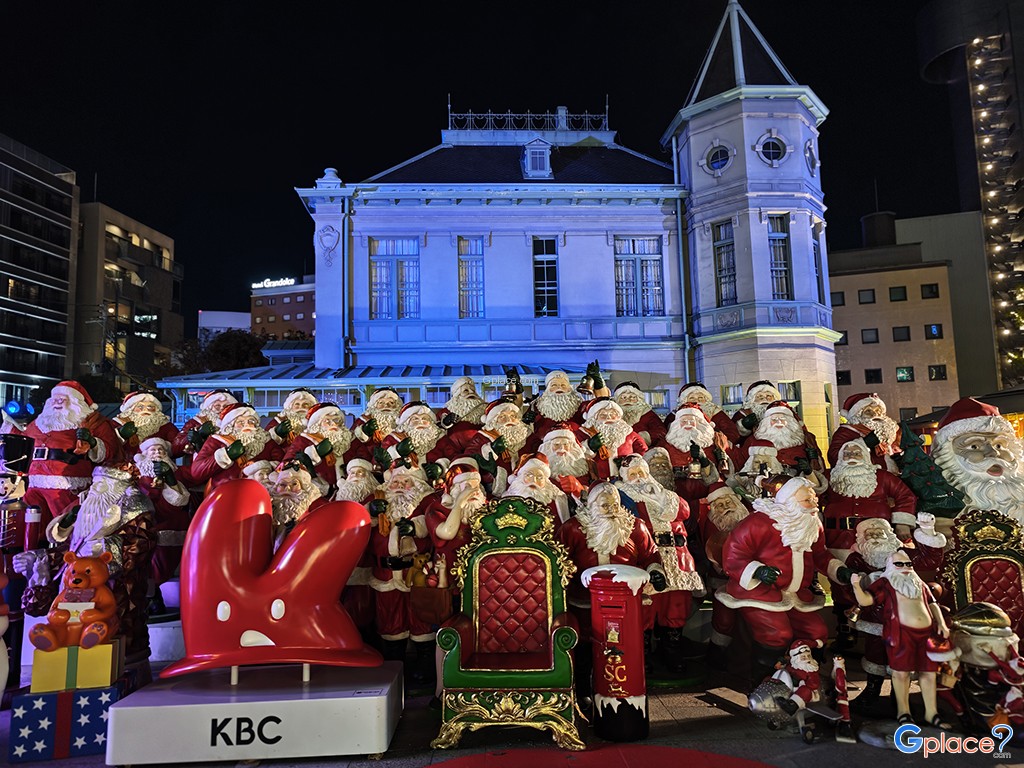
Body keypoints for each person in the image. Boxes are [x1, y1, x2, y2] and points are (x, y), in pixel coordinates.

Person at [717, 476, 850, 683]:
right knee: (777, 633)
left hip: (795, 595)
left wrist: (838, 570)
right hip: (759, 593)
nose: (814, 503)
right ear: (789, 501)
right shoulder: (759, 523)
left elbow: (819, 555)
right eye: (807, 500)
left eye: (814, 498)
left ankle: (805, 675)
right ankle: (763, 681)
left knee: (817, 631)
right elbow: (733, 554)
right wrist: (758, 571)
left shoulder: (812, 524)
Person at [23, 465, 157, 660]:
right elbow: (71, 551)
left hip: (116, 588)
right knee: (64, 617)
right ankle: (59, 641)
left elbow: (139, 546)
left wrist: (103, 548)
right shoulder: (86, 511)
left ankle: (104, 646)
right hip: (73, 590)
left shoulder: (136, 512)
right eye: (94, 483)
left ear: (116, 489)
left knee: (117, 619)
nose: (94, 489)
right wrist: (42, 559)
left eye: (101, 484)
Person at [838, 516, 946, 711]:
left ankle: (900, 696)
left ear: (889, 535)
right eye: (869, 535)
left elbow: (930, 560)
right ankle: (872, 689)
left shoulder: (903, 556)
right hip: (875, 617)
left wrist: (928, 532)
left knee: (905, 657)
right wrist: (857, 585)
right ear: (861, 539)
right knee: (875, 655)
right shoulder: (857, 558)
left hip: (904, 620)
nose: (875, 538)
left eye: (879, 533)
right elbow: (847, 587)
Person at [616, 454, 702, 672]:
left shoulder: (664, 494)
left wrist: (662, 496)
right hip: (649, 557)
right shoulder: (623, 497)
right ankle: (643, 653)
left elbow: (684, 511)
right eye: (633, 475)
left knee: (676, 604)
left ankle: (670, 649)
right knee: (646, 606)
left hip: (677, 557)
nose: (638, 478)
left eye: (641, 473)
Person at [851, 550, 952, 728]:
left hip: (926, 634)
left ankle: (931, 713)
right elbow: (867, 601)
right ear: (890, 566)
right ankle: (903, 712)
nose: (905, 567)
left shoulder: (918, 582)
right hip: (901, 634)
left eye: (908, 564)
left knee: (929, 673)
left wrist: (942, 624)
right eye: (899, 564)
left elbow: (932, 603)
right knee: (901, 674)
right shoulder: (885, 582)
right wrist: (856, 586)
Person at [3, 381, 118, 535]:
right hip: (34, 484)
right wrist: (9, 429)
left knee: (65, 527)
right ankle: (33, 553)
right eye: (54, 399)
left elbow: (110, 450)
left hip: (67, 484)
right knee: (32, 527)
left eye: (62, 399)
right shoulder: (39, 422)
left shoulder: (94, 423)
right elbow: (24, 440)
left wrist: (92, 442)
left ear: (76, 402)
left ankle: (66, 556)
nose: (57, 403)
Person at [365, 464, 436, 680]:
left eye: (406, 483)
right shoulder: (378, 501)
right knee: (390, 621)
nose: (400, 487)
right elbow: (357, 521)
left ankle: (425, 667)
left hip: (416, 574)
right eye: (395, 482)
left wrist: (417, 527)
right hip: (385, 575)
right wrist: (369, 512)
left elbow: (434, 520)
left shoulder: (425, 503)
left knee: (421, 620)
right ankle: (395, 668)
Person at [931, 397, 1024, 525]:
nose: (994, 453)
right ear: (947, 456)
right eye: (974, 446)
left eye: (999, 445)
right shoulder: (939, 510)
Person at [822, 438, 917, 555]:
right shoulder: (830, 477)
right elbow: (814, 494)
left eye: (857, 453)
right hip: (838, 539)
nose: (852, 456)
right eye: (847, 454)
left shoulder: (882, 476)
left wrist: (902, 523)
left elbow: (905, 495)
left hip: (876, 537)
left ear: (865, 456)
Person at [133, 436, 191, 616]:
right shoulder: (138, 476)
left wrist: (171, 480)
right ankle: (152, 597)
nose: (157, 453)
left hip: (174, 526)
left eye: (161, 450)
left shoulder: (176, 473)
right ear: (144, 455)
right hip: (149, 525)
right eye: (153, 450)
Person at [699, 483, 751, 666]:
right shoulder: (711, 526)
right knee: (724, 618)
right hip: (722, 580)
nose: (726, 507)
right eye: (719, 505)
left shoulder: (750, 521)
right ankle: (718, 652)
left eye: (728, 502)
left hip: (750, 579)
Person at [737, 402, 825, 495]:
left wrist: (808, 470)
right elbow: (741, 467)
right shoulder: (753, 441)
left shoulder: (806, 440)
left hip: (798, 493)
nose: (779, 422)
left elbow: (819, 472)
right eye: (774, 419)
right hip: (763, 492)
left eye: (783, 419)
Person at [189, 403, 284, 490]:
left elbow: (282, 464)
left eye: (251, 421)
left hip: (262, 492)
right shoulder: (217, 441)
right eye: (241, 422)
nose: (247, 425)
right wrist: (226, 455)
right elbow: (197, 471)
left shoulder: (265, 440)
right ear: (230, 426)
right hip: (226, 494)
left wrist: (265, 467)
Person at [284, 402, 356, 496]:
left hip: (347, 494)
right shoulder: (303, 441)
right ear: (317, 423)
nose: (333, 424)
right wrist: (313, 455)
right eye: (327, 421)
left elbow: (363, 458)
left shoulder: (348, 439)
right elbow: (284, 468)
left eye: (336, 420)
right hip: (316, 495)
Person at [461, 399, 532, 494]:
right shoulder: (482, 437)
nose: (509, 420)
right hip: (492, 487)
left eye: (513, 416)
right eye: (502, 416)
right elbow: (469, 459)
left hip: (525, 487)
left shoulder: (526, 434)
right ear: (493, 421)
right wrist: (491, 451)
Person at [828, 392, 901, 473]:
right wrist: (864, 443)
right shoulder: (846, 432)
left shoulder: (884, 432)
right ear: (857, 414)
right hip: (864, 479)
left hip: (887, 477)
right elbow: (834, 456)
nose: (875, 414)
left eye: (878, 411)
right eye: (868, 411)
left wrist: (895, 459)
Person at [577, 398, 647, 481]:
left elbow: (643, 450)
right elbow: (574, 455)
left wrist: (630, 461)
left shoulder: (628, 433)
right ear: (593, 419)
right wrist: (589, 446)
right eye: (603, 415)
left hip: (625, 481)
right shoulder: (583, 434)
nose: (609, 417)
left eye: (613, 414)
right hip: (596, 481)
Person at [502, 453, 571, 530]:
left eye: (539, 477)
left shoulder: (556, 504)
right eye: (529, 475)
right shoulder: (506, 500)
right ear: (520, 478)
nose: (534, 481)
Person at [110, 390, 180, 461]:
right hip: (124, 465)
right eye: (140, 407)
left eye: (150, 407)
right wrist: (120, 435)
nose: (145, 410)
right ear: (130, 409)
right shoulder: (117, 423)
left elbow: (177, 447)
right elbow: (107, 446)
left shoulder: (165, 425)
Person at [171, 389, 237, 459]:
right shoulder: (196, 422)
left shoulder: (238, 423)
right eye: (217, 406)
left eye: (226, 406)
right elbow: (175, 449)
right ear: (209, 407)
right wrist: (195, 435)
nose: (221, 409)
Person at [671, 382, 740, 445]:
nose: (697, 401)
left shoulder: (715, 412)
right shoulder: (676, 414)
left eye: (700, 398)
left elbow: (732, 432)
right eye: (692, 398)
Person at [537, 425, 592, 497]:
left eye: (565, 444)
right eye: (556, 445)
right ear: (548, 448)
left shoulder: (587, 467)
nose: (562, 449)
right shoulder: (538, 470)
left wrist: (578, 487)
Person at [613, 382, 667, 447]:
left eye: (632, 397)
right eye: (623, 397)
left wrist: (643, 437)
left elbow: (661, 432)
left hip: (643, 450)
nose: (628, 400)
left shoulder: (647, 414)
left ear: (639, 399)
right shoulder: (612, 415)